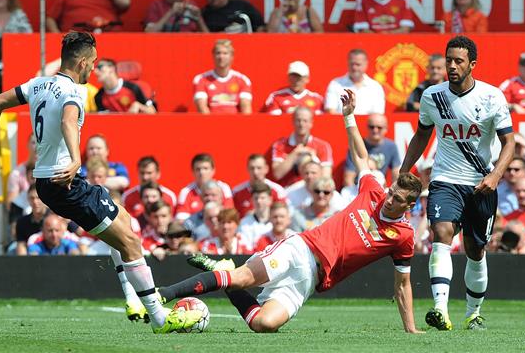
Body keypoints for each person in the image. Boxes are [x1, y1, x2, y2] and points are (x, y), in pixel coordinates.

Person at [0, 31, 200, 333]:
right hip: (63, 182)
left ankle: (133, 298)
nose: (93, 68)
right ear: (81, 62)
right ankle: (160, 317)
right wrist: (76, 159)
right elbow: (69, 120)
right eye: (92, 62)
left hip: (50, 182)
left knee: (126, 221)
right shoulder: (73, 92)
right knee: (131, 242)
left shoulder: (38, 83)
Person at [155, 89, 424, 334]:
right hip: (300, 249)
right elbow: (362, 157)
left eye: (397, 199)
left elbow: (403, 284)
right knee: (242, 278)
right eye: (390, 192)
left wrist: (410, 329)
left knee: (263, 324)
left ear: (409, 205)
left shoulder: (402, 236)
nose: (388, 199)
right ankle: (165, 294)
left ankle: (224, 275)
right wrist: (349, 117)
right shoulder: (372, 191)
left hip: (312, 278)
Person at [399, 36, 516, 331]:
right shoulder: (432, 96)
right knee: (441, 232)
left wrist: (494, 176)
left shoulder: (492, 97)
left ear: (472, 65)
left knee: (475, 250)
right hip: (445, 180)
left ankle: (473, 314)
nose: (451, 66)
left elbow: (509, 144)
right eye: (448, 60)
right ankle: (439, 309)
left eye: (458, 61)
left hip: (481, 184)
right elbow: (422, 134)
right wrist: (404, 169)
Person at [271, 106, 333, 187]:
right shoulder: (280, 145)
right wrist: (295, 153)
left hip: (313, 190)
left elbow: (326, 178)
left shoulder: (323, 146)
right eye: (298, 120)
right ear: (293, 122)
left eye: (305, 121)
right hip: (288, 190)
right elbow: (277, 174)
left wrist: (313, 158)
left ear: (311, 123)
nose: (301, 124)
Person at [193, 39, 252, 114]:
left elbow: (246, 109)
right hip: (210, 124)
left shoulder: (242, 80)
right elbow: (202, 109)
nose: (221, 57)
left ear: (231, 56)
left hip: (236, 124)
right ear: (213, 55)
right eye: (218, 53)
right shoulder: (201, 79)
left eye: (225, 53)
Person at [344, 113, 401, 187]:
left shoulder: (391, 146)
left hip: (380, 187)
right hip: (358, 188)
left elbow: (396, 173)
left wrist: (394, 193)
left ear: (386, 129)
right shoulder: (356, 147)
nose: (375, 130)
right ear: (367, 127)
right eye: (372, 127)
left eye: (379, 127)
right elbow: (348, 178)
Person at [324, 49, 385, 114]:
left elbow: (377, 114)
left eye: (358, 64)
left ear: (366, 64)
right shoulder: (335, 84)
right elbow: (330, 112)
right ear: (347, 63)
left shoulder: (375, 87)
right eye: (352, 64)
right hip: (340, 123)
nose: (354, 68)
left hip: (367, 124)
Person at [176, 153, 234, 221]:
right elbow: (181, 220)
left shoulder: (223, 188)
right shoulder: (185, 192)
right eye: (198, 169)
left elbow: (230, 214)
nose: (202, 172)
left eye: (205, 168)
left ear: (213, 170)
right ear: (193, 171)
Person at [238, 181, 275, 249]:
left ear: (270, 199)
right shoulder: (244, 223)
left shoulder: (277, 222)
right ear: (252, 200)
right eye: (256, 198)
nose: (259, 201)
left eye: (262, 198)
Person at [15, 184, 49, 256]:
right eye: (32, 198)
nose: (35, 202)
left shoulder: (56, 217)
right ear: (28, 199)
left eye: (38, 198)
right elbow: (21, 245)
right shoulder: (22, 222)